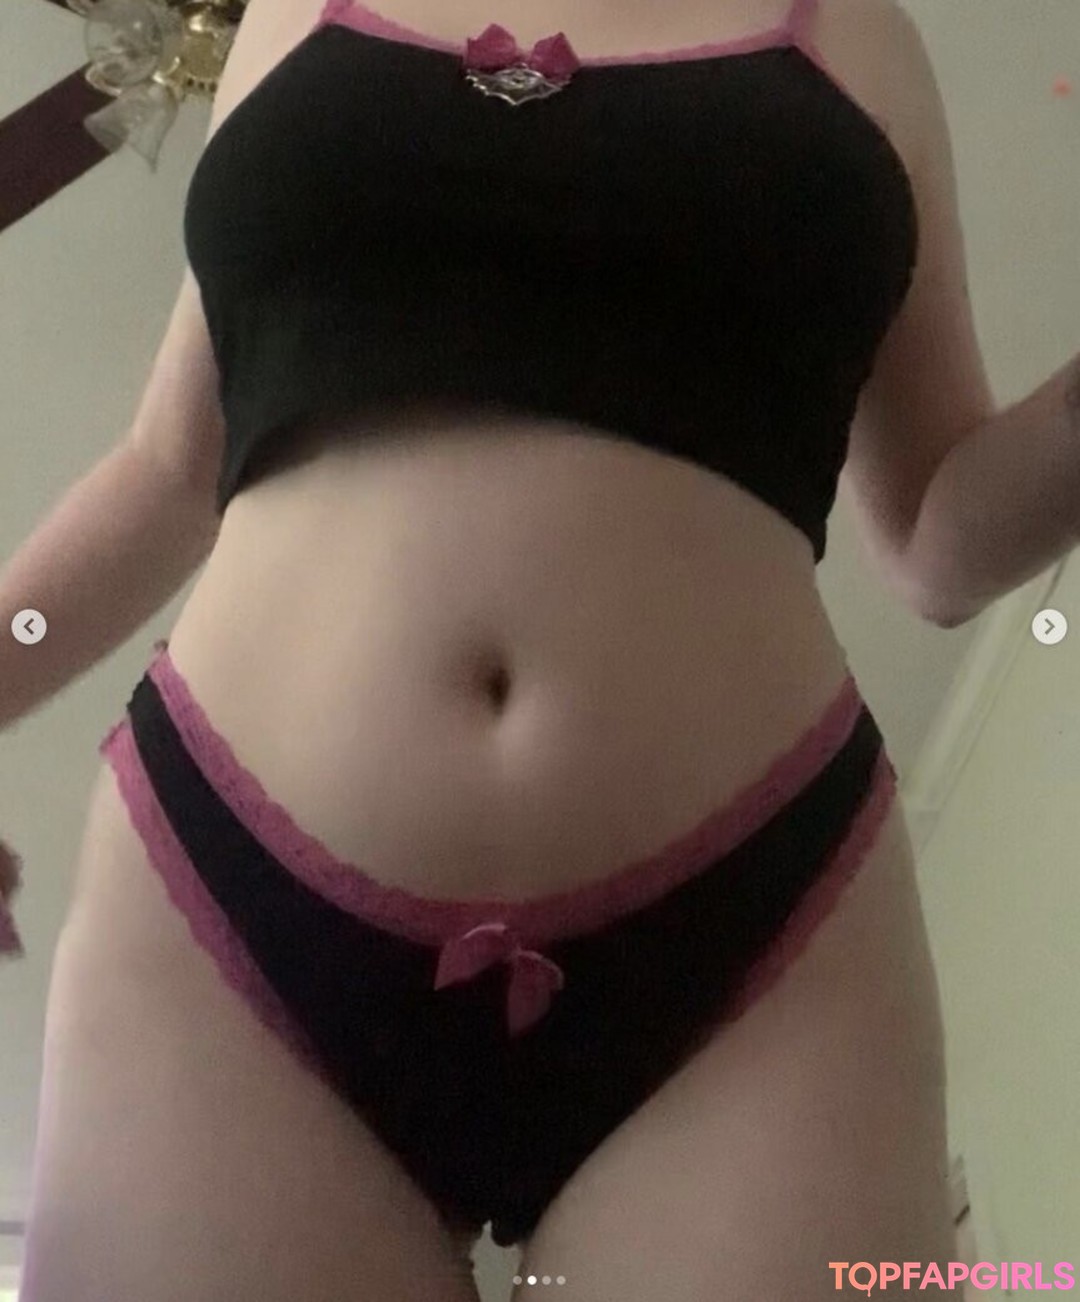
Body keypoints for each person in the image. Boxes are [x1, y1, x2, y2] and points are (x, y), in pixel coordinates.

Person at [2, 0, 1078, 1297]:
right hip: (227, 894)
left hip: (757, 917)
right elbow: (168, 470)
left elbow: (935, 538)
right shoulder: (299, 12)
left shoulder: (849, 28)